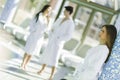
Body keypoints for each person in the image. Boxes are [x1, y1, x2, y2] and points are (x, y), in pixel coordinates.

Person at [37, 6, 75, 80]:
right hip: (52, 40)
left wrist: (59, 39)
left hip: (58, 43)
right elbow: (53, 27)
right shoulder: (60, 18)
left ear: (69, 12)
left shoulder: (70, 23)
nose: (64, 12)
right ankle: (42, 70)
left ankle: (51, 76)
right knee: (46, 55)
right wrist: (51, 33)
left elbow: (69, 36)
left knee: (55, 59)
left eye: (65, 11)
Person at [20, 4, 52, 70]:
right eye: (48, 9)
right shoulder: (38, 15)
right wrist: (33, 30)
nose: (49, 11)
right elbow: (31, 23)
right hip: (33, 35)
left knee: (32, 52)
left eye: (50, 10)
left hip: (39, 38)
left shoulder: (48, 19)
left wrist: (48, 22)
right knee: (28, 50)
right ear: (45, 8)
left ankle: (25, 64)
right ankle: (22, 63)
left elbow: (47, 29)